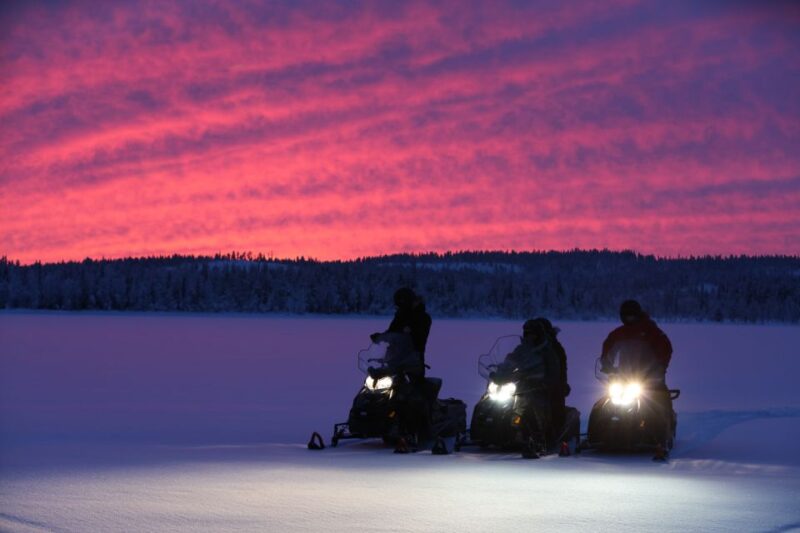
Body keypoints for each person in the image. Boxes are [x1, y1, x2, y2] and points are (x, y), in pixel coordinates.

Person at [370, 287, 432, 450]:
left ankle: (422, 432)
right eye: (398, 305)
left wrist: (409, 334)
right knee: (376, 388)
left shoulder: (423, 317)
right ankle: (370, 419)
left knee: (414, 395)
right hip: (394, 360)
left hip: (413, 361)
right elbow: (393, 332)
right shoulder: (400, 315)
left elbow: (419, 337)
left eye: (402, 304)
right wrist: (380, 337)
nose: (399, 308)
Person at [503, 319, 563, 445]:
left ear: (539, 335)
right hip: (520, 386)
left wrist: (546, 382)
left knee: (534, 407)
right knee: (491, 401)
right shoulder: (521, 349)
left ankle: (539, 438)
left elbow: (554, 371)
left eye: (533, 334)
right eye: (527, 334)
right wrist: (499, 372)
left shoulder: (547, 352)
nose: (530, 337)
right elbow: (510, 360)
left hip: (539, 388)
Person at [600, 300, 672, 383]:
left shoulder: (651, 331)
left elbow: (666, 348)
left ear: (638, 314)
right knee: (611, 393)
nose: (629, 318)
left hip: (650, 378)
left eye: (631, 315)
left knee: (660, 394)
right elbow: (608, 346)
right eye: (627, 315)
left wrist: (660, 367)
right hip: (624, 377)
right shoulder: (619, 333)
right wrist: (606, 364)